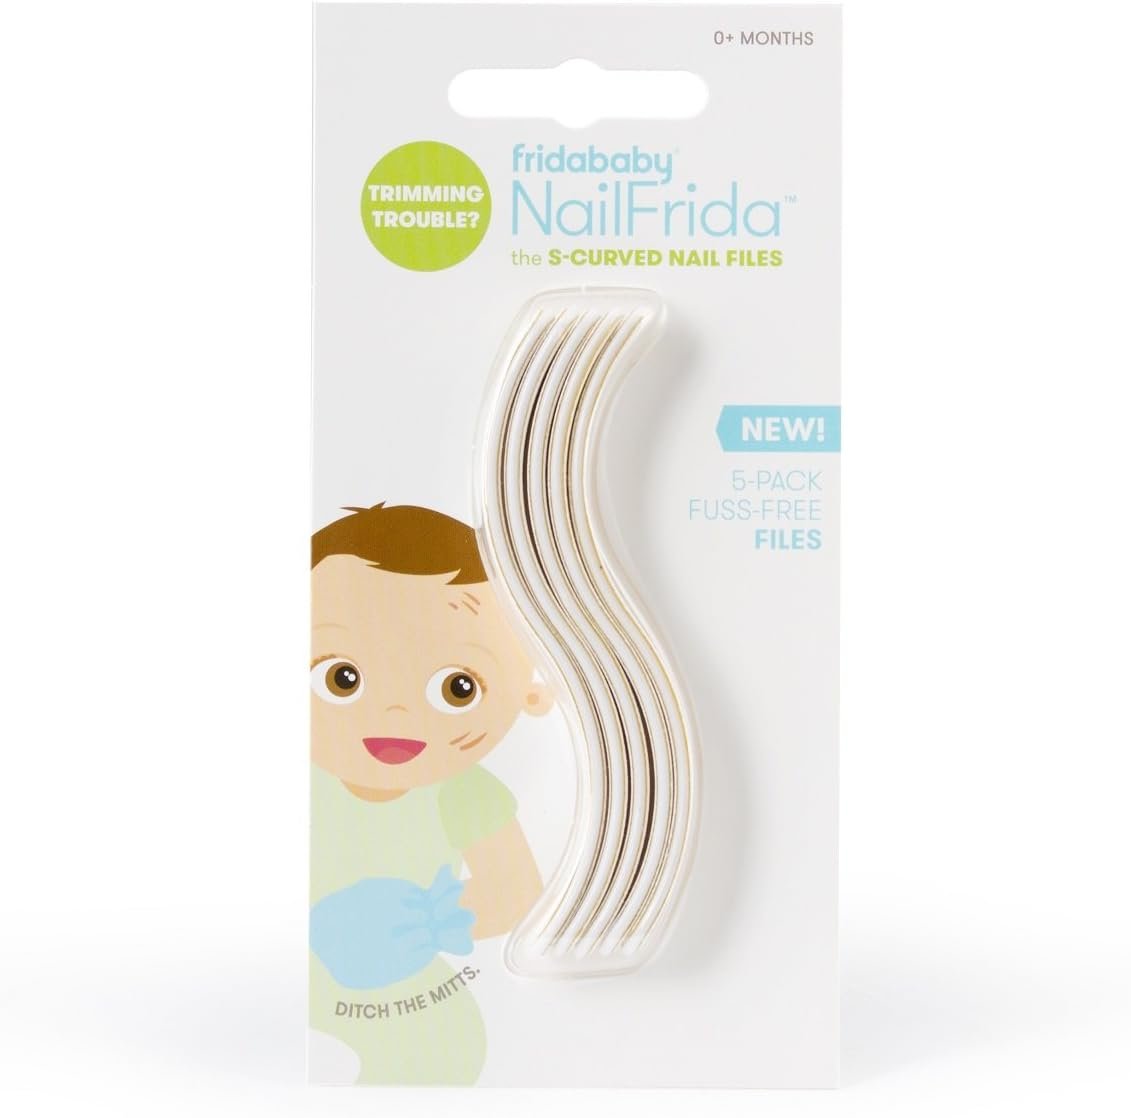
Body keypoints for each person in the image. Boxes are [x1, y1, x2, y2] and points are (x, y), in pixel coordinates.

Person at [309, 502, 551, 1084]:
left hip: (416, 1003)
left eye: (458, 687)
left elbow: (516, 890)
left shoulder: (463, 792)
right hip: (292, 997)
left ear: (533, 690)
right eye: (343, 677)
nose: (394, 714)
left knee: (439, 1061)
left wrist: (428, 922)